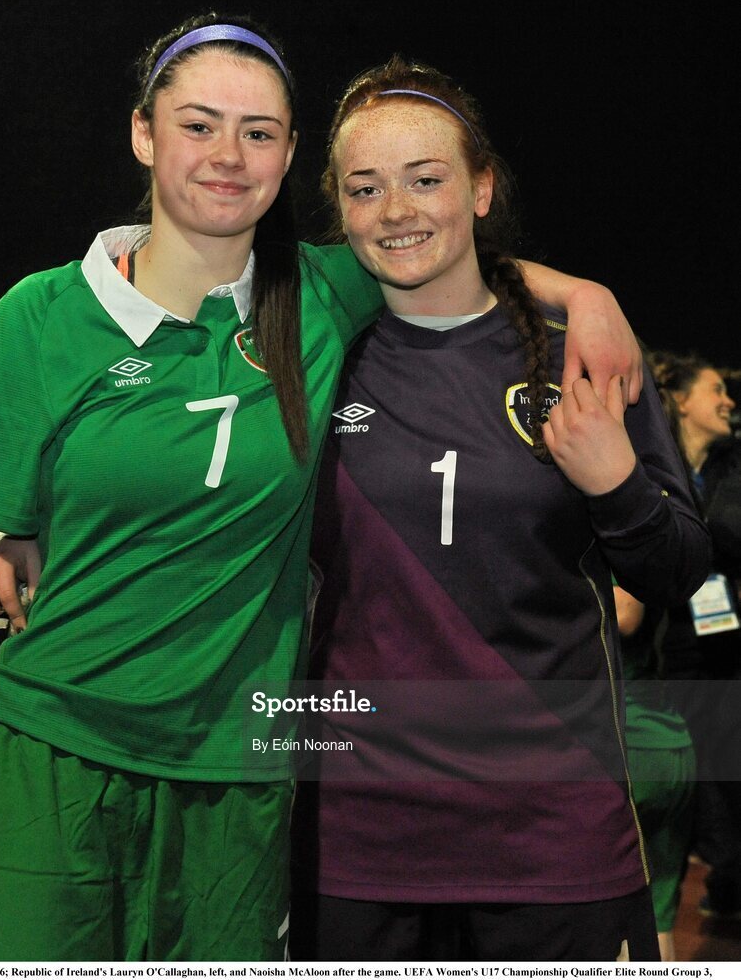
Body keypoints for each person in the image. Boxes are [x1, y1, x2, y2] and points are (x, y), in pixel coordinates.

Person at [0, 14, 645, 962]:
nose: (227, 155)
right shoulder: (40, 316)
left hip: (240, 779)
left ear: (290, 155)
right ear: (144, 133)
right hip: (51, 754)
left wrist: (587, 297)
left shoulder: (325, 293)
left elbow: (442, 246)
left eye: (258, 133)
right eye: (198, 125)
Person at [288, 57, 710, 962]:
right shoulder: (318, 356)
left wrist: (616, 486)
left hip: (551, 838)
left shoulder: (579, 355)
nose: (396, 209)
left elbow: (679, 571)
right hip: (359, 843)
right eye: (366, 189)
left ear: (481, 188)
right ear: (340, 209)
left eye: (426, 179)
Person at [647, 350, 741, 921]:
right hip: (661, 651)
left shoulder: (732, 471)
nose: (728, 400)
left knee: (725, 768)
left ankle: (727, 883)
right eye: (714, 390)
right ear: (681, 400)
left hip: (725, 644)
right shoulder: (651, 461)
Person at [613, 582, 696, 961]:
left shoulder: (607, 544)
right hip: (667, 739)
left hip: (630, 746)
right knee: (656, 914)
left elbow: (627, 614)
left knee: (603, 914)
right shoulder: (655, 549)